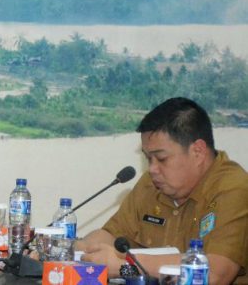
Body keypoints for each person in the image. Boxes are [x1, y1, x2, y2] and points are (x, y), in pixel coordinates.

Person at [79, 97, 247, 284]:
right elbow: (111, 236)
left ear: (198, 152)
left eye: (161, 159)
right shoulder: (150, 184)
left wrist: (125, 266)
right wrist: (79, 250)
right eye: (148, 159)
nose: (152, 169)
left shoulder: (234, 189)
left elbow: (215, 274)